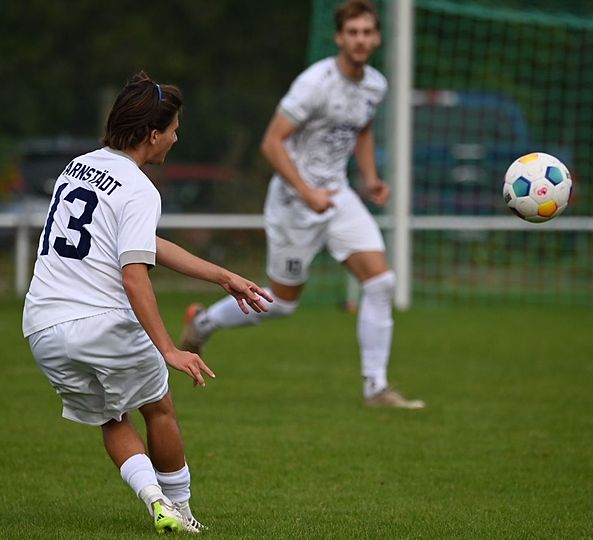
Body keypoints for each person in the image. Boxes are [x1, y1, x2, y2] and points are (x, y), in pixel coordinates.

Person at [22, 71, 272, 534]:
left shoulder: (77, 166)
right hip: (99, 322)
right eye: (174, 129)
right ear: (153, 134)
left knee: (111, 417)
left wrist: (222, 276)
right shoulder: (139, 189)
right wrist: (169, 349)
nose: (176, 138)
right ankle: (184, 511)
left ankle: (155, 501)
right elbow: (134, 276)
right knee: (158, 407)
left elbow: (141, 243)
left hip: (42, 327)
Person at [179, 0, 424, 409]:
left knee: (381, 283)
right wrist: (307, 192)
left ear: (377, 38)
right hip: (294, 203)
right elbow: (271, 143)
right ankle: (203, 322)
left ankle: (376, 388)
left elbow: (362, 130)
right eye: (353, 32)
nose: (361, 40)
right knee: (282, 303)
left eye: (367, 32)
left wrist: (370, 178)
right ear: (339, 38)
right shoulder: (314, 84)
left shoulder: (375, 85)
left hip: (338, 197)